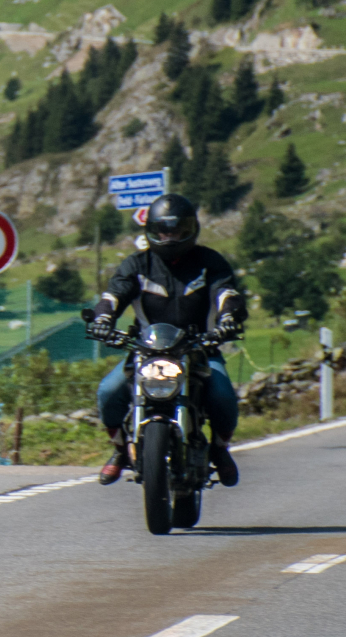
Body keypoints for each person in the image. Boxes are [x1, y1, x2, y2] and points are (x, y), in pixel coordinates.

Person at [88, 193, 247, 487]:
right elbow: (113, 296)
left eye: (177, 230)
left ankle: (220, 449)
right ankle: (122, 450)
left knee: (223, 395)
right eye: (163, 229)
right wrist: (102, 320)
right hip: (147, 352)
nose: (170, 236)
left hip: (200, 349)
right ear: (151, 230)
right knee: (108, 391)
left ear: (191, 229)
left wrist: (228, 319)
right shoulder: (136, 265)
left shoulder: (209, 262)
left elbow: (226, 293)